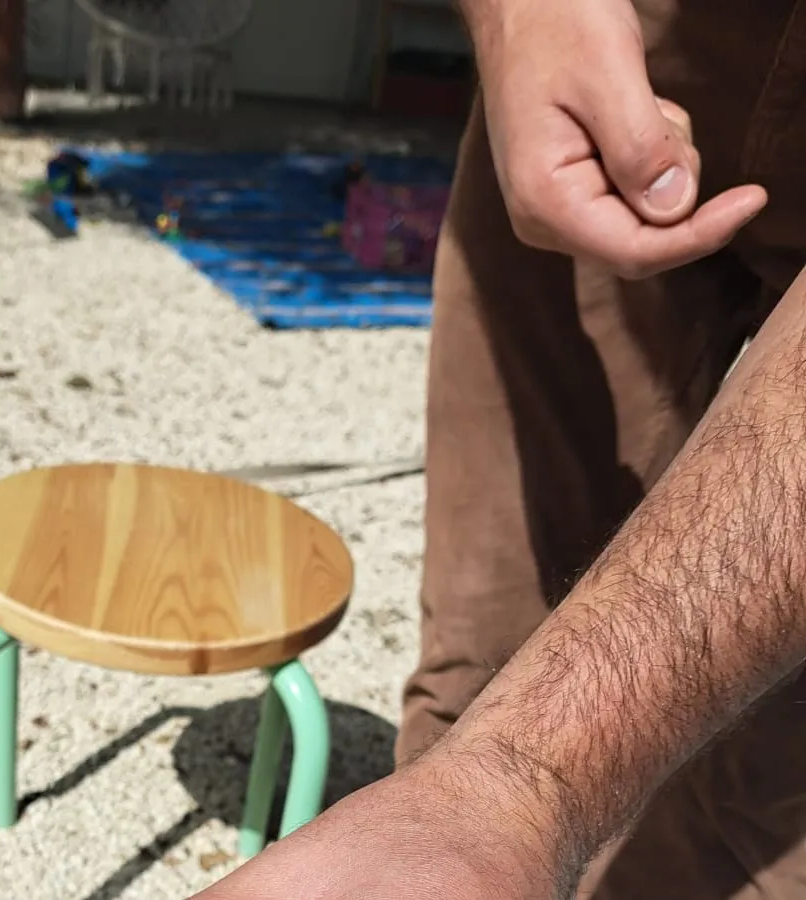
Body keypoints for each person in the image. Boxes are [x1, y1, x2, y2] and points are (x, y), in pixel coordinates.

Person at [191, 0, 806, 896]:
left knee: (765, 805)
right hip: (614, 51)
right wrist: (516, 15)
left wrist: (518, 778)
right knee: (478, 659)